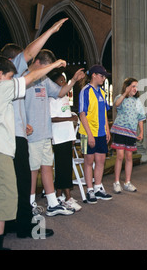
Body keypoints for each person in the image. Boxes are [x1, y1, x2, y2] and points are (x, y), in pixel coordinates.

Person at [0, 55, 66, 250]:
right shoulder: (1, 87)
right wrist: (55, 65)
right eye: (9, 76)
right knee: (1, 200)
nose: (11, 81)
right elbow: (29, 78)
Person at [0, 17, 68, 238]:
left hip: (18, 134)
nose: (23, 62)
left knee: (18, 182)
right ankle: (22, 224)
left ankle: (16, 221)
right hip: (14, 137)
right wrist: (50, 31)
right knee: (21, 180)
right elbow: (29, 53)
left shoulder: (14, 81)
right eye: (19, 59)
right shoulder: (12, 79)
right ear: (11, 61)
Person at [25, 49, 85, 216]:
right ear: (38, 63)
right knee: (32, 170)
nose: (48, 72)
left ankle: (52, 203)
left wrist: (73, 80)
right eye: (47, 67)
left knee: (47, 168)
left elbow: (60, 92)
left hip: (46, 133)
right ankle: (30, 203)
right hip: (32, 134)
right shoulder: (24, 79)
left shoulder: (44, 80)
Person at [78, 65, 113, 204]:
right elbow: (82, 114)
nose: (103, 78)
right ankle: (90, 190)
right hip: (87, 133)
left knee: (100, 161)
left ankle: (98, 188)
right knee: (89, 161)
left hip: (101, 133)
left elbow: (104, 112)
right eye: (101, 76)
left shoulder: (103, 92)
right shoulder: (85, 91)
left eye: (104, 76)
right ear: (93, 75)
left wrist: (107, 129)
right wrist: (90, 135)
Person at [49, 72, 82, 211]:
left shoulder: (65, 99)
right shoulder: (52, 99)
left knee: (67, 166)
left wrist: (72, 137)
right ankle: (66, 197)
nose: (64, 82)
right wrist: (69, 119)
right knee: (62, 168)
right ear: (54, 84)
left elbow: (67, 115)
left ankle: (60, 195)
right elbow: (52, 118)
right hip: (59, 137)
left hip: (67, 136)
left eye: (64, 80)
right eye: (61, 80)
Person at [110, 77, 146, 193]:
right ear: (127, 87)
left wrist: (141, 132)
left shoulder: (137, 101)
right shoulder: (120, 97)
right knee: (120, 156)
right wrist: (125, 93)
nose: (135, 89)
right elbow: (116, 104)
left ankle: (127, 182)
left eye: (136, 87)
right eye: (133, 86)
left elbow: (140, 118)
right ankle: (116, 182)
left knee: (129, 157)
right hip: (120, 130)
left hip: (131, 132)